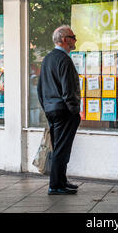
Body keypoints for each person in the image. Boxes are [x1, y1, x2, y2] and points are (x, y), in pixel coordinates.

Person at [37, 25, 81, 195]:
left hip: (52, 109)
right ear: (64, 40)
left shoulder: (48, 58)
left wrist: (47, 107)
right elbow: (68, 89)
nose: (75, 40)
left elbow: (40, 89)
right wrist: (74, 111)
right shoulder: (64, 60)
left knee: (59, 147)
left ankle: (61, 181)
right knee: (62, 149)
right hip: (64, 111)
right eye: (73, 36)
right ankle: (56, 185)